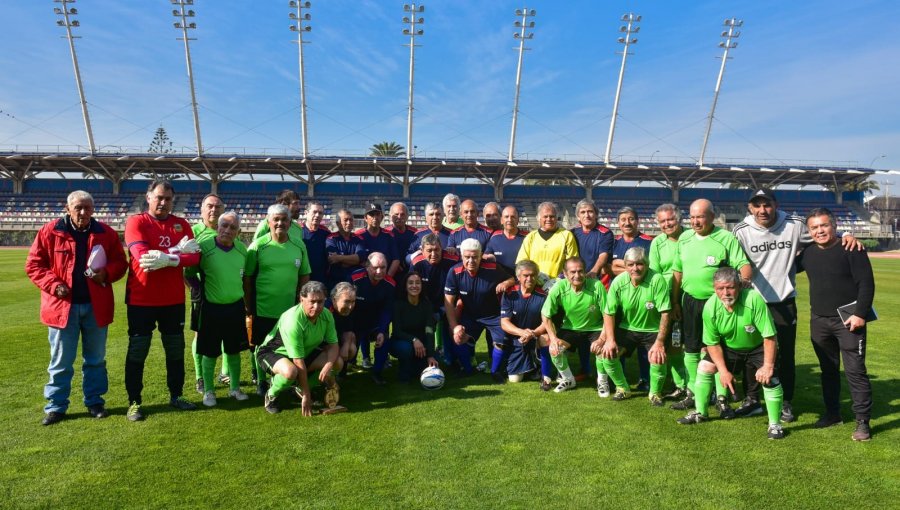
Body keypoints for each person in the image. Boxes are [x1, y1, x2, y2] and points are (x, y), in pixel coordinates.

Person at [733, 189, 860, 422]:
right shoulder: (741, 230)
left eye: (767, 204)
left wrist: (847, 235)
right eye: (757, 205)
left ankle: (786, 402)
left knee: (785, 355)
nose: (763, 210)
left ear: (776, 204)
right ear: (750, 207)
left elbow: (822, 233)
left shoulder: (794, 224)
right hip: (753, 301)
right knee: (751, 352)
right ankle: (752, 399)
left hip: (784, 302)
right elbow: (733, 261)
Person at [25, 190, 128, 425]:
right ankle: (56, 407)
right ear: (67, 208)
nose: (83, 212)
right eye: (78, 207)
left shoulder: (106, 232)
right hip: (62, 308)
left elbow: (120, 263)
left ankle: (94, 402)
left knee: (95, 359)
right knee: (61, 361)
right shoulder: (51, 231)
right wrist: (54, 284)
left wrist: (107, 273)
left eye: (88, 208)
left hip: (96, 306)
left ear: (93, 210)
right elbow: (34, 265)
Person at [676, 267, 786, 440]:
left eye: (730, 287)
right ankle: (700, 412)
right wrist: (724, 371)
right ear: (714, 288)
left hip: (758, 347)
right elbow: (712, 343)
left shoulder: (754, 299)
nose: (726, 292)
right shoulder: (710, 307)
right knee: (704, 367)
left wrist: (768, 366)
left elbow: (769, 336)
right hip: (730, 348)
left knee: (770, 378)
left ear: (739, 286)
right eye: (720, 288)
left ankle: (775, 425)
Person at [123, 179, 201, 421]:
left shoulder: (181, 224)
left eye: (168, 199)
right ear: (149, 197)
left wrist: (169, 259)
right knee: (138, 351)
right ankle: (134, 402)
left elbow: (195, 257)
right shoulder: (136, 222)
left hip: (172, 300)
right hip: (141, 299)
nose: (163, 202)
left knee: (175, 350)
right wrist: (177, 252)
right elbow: (143, 257)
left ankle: (176, 396)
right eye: (159, 197)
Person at [798, 207, 875, 441]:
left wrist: (860, 313)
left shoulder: (852, 249)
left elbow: (866, 284)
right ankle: (833, 414)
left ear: (834, 225)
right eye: (814, 227)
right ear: (809, 231)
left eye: (824, 225)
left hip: (849, 320)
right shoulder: (807, 254)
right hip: (819, 321)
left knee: (855, 371)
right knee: (828, 371)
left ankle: (862, 422)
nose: (820, 231)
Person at [671, 199, 751, 415]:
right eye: (693, 217)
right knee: (691, 347)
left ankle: (721, 396)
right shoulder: (685, 238)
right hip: (689, 301)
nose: (696, 221)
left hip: (715, 303)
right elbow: (677, 272)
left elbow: (743, 264)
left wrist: (743, 286)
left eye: (701, 216)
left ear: (712, 216)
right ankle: (693, 392)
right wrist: (675, 301)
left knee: (715, 348)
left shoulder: (725, 237)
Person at [244, 204, 312, 395]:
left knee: (287, 347)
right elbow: (248, 278)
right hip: (263, 307)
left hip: (289, 311)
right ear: (268, 222)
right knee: (260, 345)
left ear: (290, 222)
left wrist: (301, 303)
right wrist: (249, 306)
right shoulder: (258, 246)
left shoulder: (299, 245)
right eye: (276, 219)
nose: (280, 223)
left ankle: (283, 380)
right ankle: (260, 381)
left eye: (284, 219)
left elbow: (304, 275)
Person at [185, 211, 250, 407]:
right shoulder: (204, 248)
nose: (227, 230)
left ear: (238, 232)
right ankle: (209, 392)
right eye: (224, 226)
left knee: (234, 351)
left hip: (235, 308)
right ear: (218, 226)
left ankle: (235, 389)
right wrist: (198, 291)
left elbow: (244, 278)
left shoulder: (242, 250)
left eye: (232, 228)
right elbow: (188, 273)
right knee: (209, 352)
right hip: (210, 308)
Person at [597, 247, 671, 406]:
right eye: (630, 264)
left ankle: (655, 393)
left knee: (658, 358)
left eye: (640, 264)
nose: (635, 268)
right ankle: (622, 388)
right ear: (625, 265)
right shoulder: (618, 281)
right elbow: (609, 313)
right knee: (608, 354)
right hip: (627, 329)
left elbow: (665, 313)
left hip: (653, 330)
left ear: (647, 264)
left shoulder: (657, 280)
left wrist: (659, 343)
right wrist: (609, 340)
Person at [256, 281, 343, 415]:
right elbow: (298, 361)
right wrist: (307, 395)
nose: (317, 306)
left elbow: (333, 345)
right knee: (291, 372)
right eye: (312, 301)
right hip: (272, 353)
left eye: (320, 302)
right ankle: (271, 394)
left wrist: (328, 365)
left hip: (304, 353)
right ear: (301, 299)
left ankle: (298, 387)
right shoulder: (293, 321)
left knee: (337, 362)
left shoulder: (327, 315)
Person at [444, 238, 514, 378]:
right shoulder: (454, 272)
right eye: (467, 257)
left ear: (481, 255)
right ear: (461, 256)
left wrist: (506, 283)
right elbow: (448, 302)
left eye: (475, 257)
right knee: (458, 338)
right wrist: (454, 327)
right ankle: (468, 370)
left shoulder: (493, 268)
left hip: (493, 315)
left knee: (502, 341)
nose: (471, 261)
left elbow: (512, 278)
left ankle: (496, 372)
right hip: (470, 315)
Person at [540, 257, 607, 393]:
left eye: (580, 271)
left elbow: (608, 315)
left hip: (595, 329)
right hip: (570, 329)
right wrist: (553, 339)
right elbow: (546, 315)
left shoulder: (597, 285)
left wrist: (602, 339)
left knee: (603, 349)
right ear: (565, 274)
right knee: (555, 349)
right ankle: (568, 379)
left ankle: (602, 381)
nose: (577, 275)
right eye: (573, 272)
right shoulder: (559, 286)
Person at [610, 206, 655, 392]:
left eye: (631, 219)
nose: (627, 223)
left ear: (637, 221)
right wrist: (632, 269)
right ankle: (620, 379)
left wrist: (621, 265)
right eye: (623, 220)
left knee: (645, 338)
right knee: (620, 337)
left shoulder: (648, 241)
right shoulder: (614, 242)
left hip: (644, 296)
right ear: (618, 223)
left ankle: (646, 379)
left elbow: (650, 268)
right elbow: (609, 267)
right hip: (621, 297)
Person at [648, 203, 688, 402]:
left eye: (670, 219)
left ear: (679, 219)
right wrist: (667, 303)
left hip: (688, 297)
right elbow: (655, 274)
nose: (667, 224)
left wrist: (677, 301)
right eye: (662, 221)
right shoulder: (657, 243)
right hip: (665, 299)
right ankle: (680, 384)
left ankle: (698, 384)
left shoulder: (690, 238)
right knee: (673, 343)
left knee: (694, 345)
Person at [187, 193, 225, 394]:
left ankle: (225, 372)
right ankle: (200, 377)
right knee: (200, 335)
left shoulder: (227, 231)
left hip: (225, 292)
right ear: (201, 210)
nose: (213, 210)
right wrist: (195, 290)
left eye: (218, 207)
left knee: (226, 333)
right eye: (209, 206)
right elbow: (186, 268)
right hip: (202, 294)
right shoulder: (193, 232)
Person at [377, 272, 439, 383]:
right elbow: (397, 331)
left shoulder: (427, 305)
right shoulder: (398, 305)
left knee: (435, 360)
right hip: (401, 342)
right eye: (410, 283)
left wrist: (430, 355)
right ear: (405, 286)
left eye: (417, 283)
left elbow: (429, 330)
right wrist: (414, 340)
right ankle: (404, 370)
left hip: (421, 343)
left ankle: (415, 366)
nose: (414, 286)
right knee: (406, 350)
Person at [411, 234, 460, 366]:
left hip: (449, 303)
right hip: (427, 304)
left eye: (437, 250)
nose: (433, 254)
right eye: (429, 250)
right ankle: (427, 358)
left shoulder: (453, 260)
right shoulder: (417, 264)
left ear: (442, 248)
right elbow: (411, 288)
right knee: (427, 330)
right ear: (422, 250)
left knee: (451, 330)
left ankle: (453, 359)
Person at [499, 260, 548, 385]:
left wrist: (532, 334)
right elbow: (504, 322)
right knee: (515, 380)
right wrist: (522, 333)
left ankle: (540, 368)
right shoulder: (510, 293)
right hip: (516, 339)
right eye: (526, 275)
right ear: (518, 277)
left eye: (533, 275)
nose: (529, 278)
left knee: (546, 338)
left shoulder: (544, 296)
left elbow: (546, 322)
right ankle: (529, 367)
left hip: (535, 337)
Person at [351, 252, 397, 376]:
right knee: (349, 341)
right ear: (367, 266)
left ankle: (377, 373)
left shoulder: (390, 284)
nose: (379, 271)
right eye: (375, 267)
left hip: (376, 321)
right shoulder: (355, 279)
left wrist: (382, 331)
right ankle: (345, 369)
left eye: (383, 268)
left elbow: (387, 310)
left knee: (384, 339)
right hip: (356, 320)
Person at [516, 201, 579, 283]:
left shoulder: (567, 235)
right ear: (538, 218)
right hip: (534, 285)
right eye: (545, 216)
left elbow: (573, 262)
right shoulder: (530, 237)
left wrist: (561, 278)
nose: (549, 219)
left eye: (552, 216)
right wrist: (537, 275)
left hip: (558, 285)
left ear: (557, 218)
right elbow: (522, 263)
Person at [570, 199, 614, 287]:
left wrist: (593, 272)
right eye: (583, 212)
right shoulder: (572, 233)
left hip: (597, 280)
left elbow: (603, 256)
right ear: (578, 217)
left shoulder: (605, 233)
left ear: (596, 214)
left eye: (590, 212)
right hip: (576, 279)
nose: (587, 215)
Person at [357, 202, 401, 278]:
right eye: (371, 215)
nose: (375, 217)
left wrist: (387, 278)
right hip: (364, 278)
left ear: (382, 217)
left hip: (385, 277)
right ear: (365, 218)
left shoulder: (389, 235)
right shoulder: (358, 235)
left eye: (377, 214)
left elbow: (396, 260)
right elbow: (357, 260)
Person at [325, 209, 365, 289]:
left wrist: (339, 258)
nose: (349, 223)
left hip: (355, 283)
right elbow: (333, 260)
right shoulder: (331, 239)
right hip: (336, 283)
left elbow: (360, 258)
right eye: (345, 220)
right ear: (338, 223)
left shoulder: (359, 239)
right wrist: (354, 261)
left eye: (351, 220)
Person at [484, 205, 527, 274]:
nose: (509, 220)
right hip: (500, 281)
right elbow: (486, 254)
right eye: (506, 217)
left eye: (513, 217)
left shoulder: (527, 238)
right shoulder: (494, 237)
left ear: (518, 220)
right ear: (501, 220)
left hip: (521, 282)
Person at [329, 282, 358, 376]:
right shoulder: (325, 311)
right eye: (347, 301)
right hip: (323, 345)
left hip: (336, 340)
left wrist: (345, 345)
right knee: (338, 361)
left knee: (351, 348)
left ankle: (340, 373)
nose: (350, 306)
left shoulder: (349, 310)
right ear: (334, 300)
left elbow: (349, 330)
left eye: (353, 301)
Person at [301, 200, 331, 285]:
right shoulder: (297, 231)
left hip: (321, 279)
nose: (317, 215)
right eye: (314, 212)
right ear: (306, 213)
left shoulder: (326, 233)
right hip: (301, 278)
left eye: (320, 213)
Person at [385, 202, 418, 273]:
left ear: (407, 216)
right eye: (396, 214)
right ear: (390, 216)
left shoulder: (415, 233)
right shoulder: (385, 234)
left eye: (402, 214)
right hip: (390, 271)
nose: (399, 217)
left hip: (411, 271)